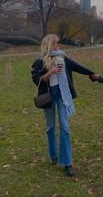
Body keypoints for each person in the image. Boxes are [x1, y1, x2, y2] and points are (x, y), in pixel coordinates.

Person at [31, 34, 94, 177]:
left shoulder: (62, 57)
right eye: (57, 42)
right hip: (48, 96)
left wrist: (92, 73)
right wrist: (50, 73)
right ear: (50, 43)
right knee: (51, 127)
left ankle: (67, 163)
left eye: (59, 42)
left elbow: (78, 66)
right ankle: (53, 155)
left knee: (65, 128)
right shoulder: (40, 60)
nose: (59, 44)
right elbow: (35, 78)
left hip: (62, 95)